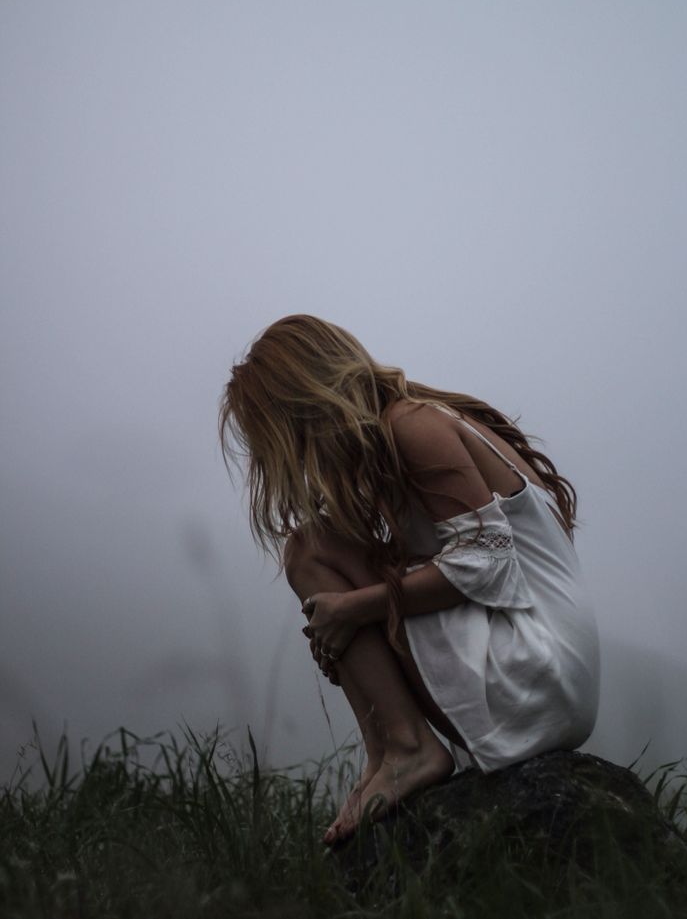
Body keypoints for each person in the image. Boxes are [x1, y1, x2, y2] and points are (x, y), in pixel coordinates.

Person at [219, 314, 600, 846]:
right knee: (318, 553)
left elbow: (489, 563)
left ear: (306, 401)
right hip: (550, 679)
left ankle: (407, 748)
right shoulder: (406, 428)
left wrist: (355, 612)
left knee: (310, 550)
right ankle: (386, 754)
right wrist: (353, 635)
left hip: (535, 671)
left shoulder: (412, 424)